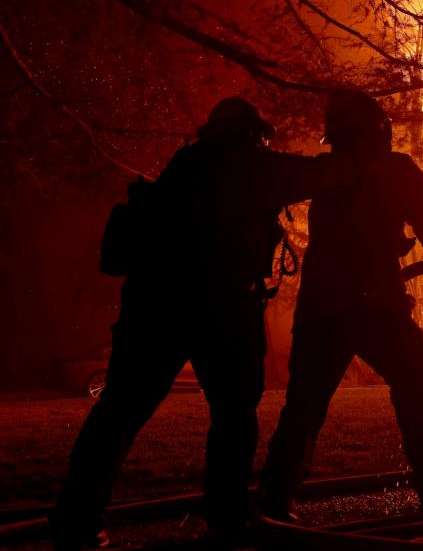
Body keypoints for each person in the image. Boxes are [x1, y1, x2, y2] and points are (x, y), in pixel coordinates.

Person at [50, 97, 354, 550]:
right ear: (253, 132)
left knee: (118, 413)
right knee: (233, 417)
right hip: (224, 308)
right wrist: (360, 152)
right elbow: (327, 175)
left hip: (154, 306)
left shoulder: (183, 166)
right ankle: (227, 520)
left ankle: (77, 518)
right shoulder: (257, 166)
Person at [259, 90, 423, 520]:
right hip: (377, 306)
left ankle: (275, 502)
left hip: (320, 309)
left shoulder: (325, 175)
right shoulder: (397, 170)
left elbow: (352, 230)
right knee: (416, 392)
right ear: (379, 130)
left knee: (303, 409)